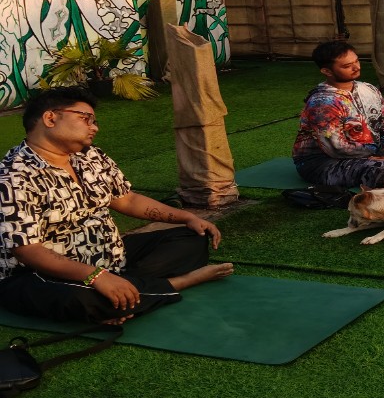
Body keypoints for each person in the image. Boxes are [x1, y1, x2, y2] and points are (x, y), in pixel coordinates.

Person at [0, 87, 232, 325]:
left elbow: (127, 199)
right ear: (50, 118)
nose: (94, 127)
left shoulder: (90, 156)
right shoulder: (14, 175)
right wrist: (95, 276)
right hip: (42, 274)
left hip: (109, 256)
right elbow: (28, 251)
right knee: (79, 299)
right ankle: (178, 283)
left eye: (94, 121)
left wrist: (186, 217)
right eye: (85, 118)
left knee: (192, 238)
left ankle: (121, 293)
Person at [293, 40, 384, 192]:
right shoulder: (323, 103)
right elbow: (336, 149)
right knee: (382, 168)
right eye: (347, 66)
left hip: (370, 153)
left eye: (356, 61)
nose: (356, 67)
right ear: (327, 71)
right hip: (324, 163)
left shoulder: (369, 89)